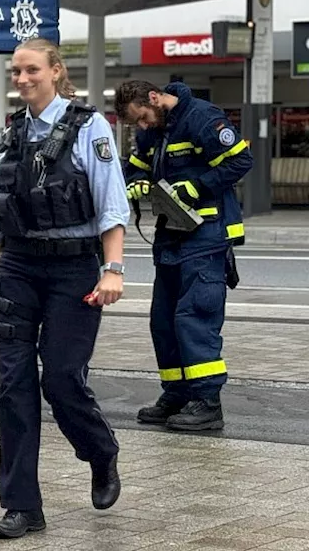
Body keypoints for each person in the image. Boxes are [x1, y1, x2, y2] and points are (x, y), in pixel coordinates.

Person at [0, 38, 129, 540]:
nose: (22, 79)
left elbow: (112, 205)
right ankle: (22, 506)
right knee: (13, 387)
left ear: (55, 71)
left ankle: (100, 451)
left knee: (60, 380)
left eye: (31, 70)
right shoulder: (13, 133)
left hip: (74, 270)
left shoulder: (89, 126)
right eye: (15, 72)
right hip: (18, 269)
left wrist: (113, 269)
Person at [116, 80, 252, 432]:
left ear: (155, 98)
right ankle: (177, 394)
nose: (143, 127)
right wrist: (136, 181)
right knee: (163, 321)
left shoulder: (203, 118)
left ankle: (207, 402)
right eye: (137, 124)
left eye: (143, 118)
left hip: (206, 235)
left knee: (194, 317)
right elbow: (134, 166)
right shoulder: (154, 130)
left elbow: (240, 160)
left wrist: (197, 186)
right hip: (171, 237)